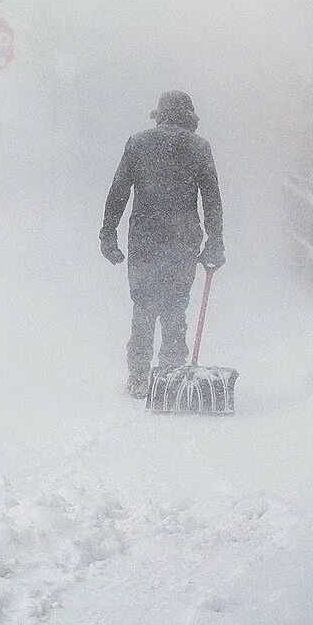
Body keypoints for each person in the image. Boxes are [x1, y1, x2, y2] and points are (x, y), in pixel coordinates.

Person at [100, 90, 224, 399]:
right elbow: (211, 200)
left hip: (145, 238)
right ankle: (170, 376)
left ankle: (139, 377)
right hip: (182, 240)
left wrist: (108, 233)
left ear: (159, 114)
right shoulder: (198, 147)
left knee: (143, 306)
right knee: (174, 307)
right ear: (188, 116)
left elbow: (119, 191)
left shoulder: (138, 144)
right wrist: (215, 240)